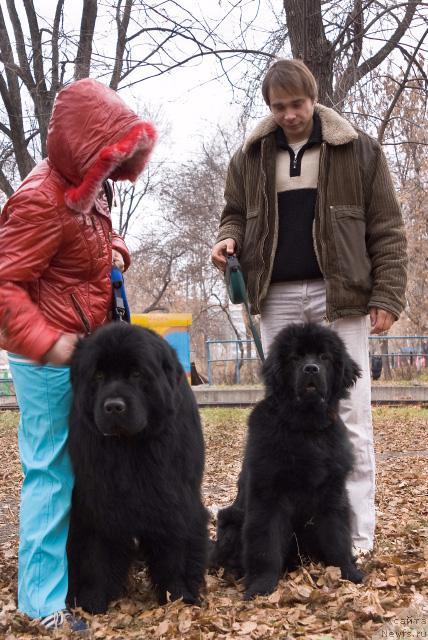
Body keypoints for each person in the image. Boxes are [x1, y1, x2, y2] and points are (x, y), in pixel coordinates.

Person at [211, 58, 407, 558]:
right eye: (279, 107)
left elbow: (386, 227)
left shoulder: (357, 149)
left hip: (338, 292)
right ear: (269, 108)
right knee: (282, 412)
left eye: (297, 104)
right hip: (275, 293)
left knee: (351, 414)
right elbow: (233, 212)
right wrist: (228, 238)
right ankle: (285, 539)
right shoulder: (251, 155)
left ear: (313, 98)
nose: (290, 115)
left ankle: (356, 540)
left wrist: (386, 294)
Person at [0, 78, 156, 633]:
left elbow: (77, 251)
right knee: (50, 473)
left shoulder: (93, 190)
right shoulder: (39, 200)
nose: (116, 169)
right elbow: (6, 288)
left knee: (85, 470)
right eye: (109, 157)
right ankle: (40, 605)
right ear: (85, 150)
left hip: (82, 354)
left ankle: (87, 575)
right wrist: (49, 342)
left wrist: (113, 250)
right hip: (46, 358)